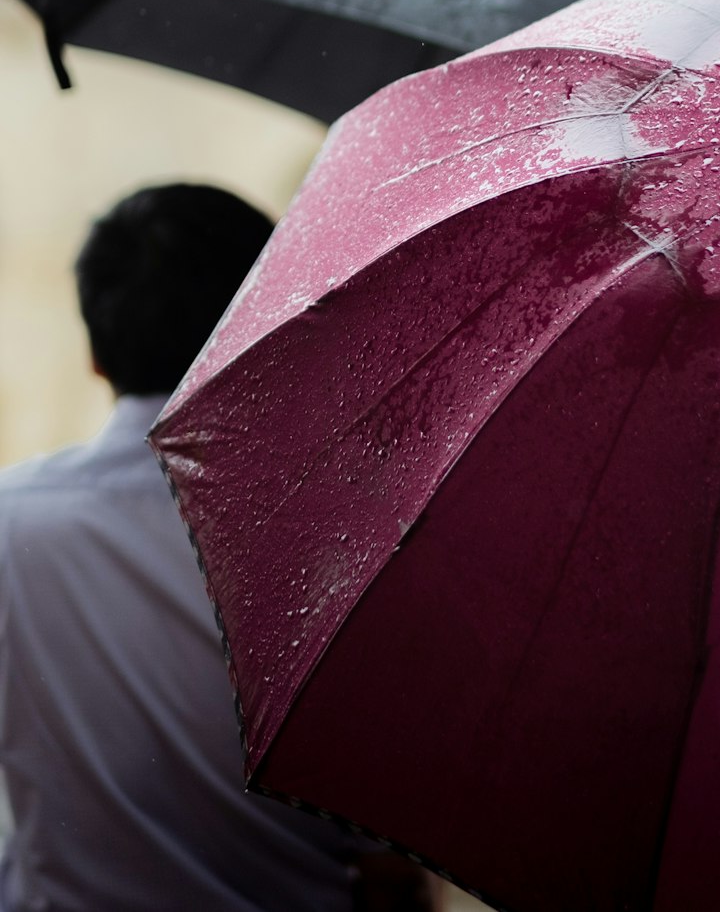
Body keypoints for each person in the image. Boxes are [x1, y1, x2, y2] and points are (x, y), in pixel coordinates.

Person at [0, 183, 436, 912]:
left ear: (97, 358)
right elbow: (389, 869)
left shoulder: (13, 527)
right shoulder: (360, 545)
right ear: (270, 332)